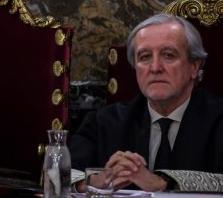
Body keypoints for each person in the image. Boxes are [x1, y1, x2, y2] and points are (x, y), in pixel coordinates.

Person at [70, 14, 223, 192]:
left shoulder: (218, 119)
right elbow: (56, 173)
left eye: (168, 55)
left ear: (194, 67)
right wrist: (93, 183)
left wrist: (163, 184)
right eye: (144, 57)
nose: (155, 67)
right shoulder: (104, 121)